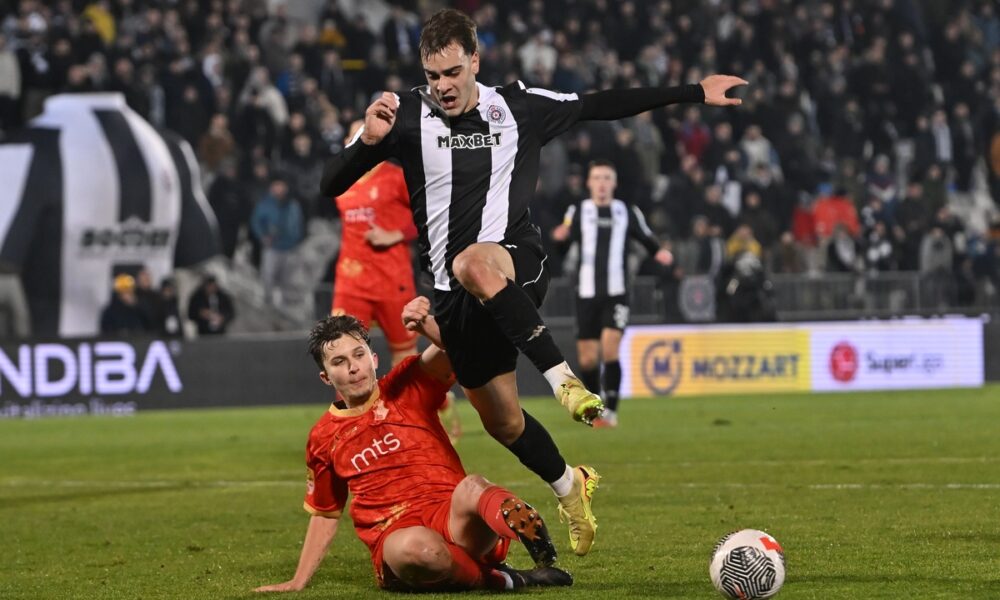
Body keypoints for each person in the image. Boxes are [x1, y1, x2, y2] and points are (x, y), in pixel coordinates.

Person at [321, 7, 745, 555]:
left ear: (475, 60)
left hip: (515, 260)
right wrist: (367, 142)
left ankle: (565, 381)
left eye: (453, 72)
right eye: (433, 76)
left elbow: (598, 104)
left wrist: (692, 92)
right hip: (458, 300)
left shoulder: (519, 105)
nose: (443, 86)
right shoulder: (401, 116)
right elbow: (331, 183)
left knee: (471, 262)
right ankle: (572, 485)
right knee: (503, 422)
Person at [254, 310, 572, 593]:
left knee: (472, 486)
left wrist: (427, 325)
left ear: (373, 358)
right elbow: (325, 512)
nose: (353, 367)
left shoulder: (407, 383)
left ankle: (540, 548)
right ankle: (507, 579)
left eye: (359, 354)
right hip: (396, 534)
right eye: (339, 362)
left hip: (454, 517)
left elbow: (459, 346)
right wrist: (298, 581)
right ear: (326, 377)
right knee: (417, 551)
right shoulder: (324, 437)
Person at [552, 160, 673, 428]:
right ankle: (595, 410)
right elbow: (563, 242)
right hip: (585, 293)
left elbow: (645, 235)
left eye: (607, 177)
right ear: (589, 183)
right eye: (597, 178)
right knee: (587, 357)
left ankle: (613, 412)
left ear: (614, 183)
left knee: (610, 349)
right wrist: (558, 239)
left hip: (616, 292)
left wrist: (659, 252)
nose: (602, 183)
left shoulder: (625, 211)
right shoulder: (578, 210)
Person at [331, 120, 420, 366]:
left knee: (404, 352)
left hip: (392, 278)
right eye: (357, 135)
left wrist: (397, 234)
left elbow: (429, 214)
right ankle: (355, 406)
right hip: (351, 281)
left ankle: (421, 403)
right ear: (347, 142)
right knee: (342, 348)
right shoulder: (340, 180)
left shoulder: (395, 177)